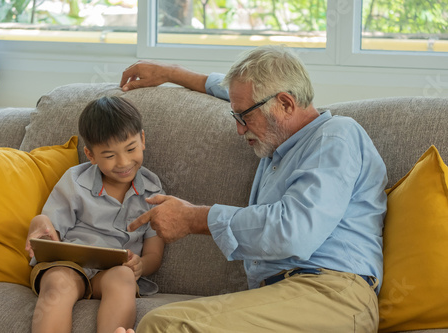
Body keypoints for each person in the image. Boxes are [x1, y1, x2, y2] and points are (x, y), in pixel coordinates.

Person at [114, 45, 388, 333]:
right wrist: (171, 73)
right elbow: (239, 95)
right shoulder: (277, 146)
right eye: (236, 117)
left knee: (166, 325)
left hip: (333, 295)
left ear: (285, 104)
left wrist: (194, 218)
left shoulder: (335, 136)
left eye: (245, 117)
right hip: (282, 296)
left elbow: (293, 232)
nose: (239, 129)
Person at [25, 96, 165, 333]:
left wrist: (142, 265)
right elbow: (49, 225)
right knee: (58, 282)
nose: (123, 162)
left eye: (130, 149)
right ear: (90, 155)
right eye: (109, 156)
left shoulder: (153, 190)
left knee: (123, 277)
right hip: (68, 266)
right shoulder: (75, 181)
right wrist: (38, 224)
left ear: (142, 139)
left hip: (112, 273)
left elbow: (154, 253)